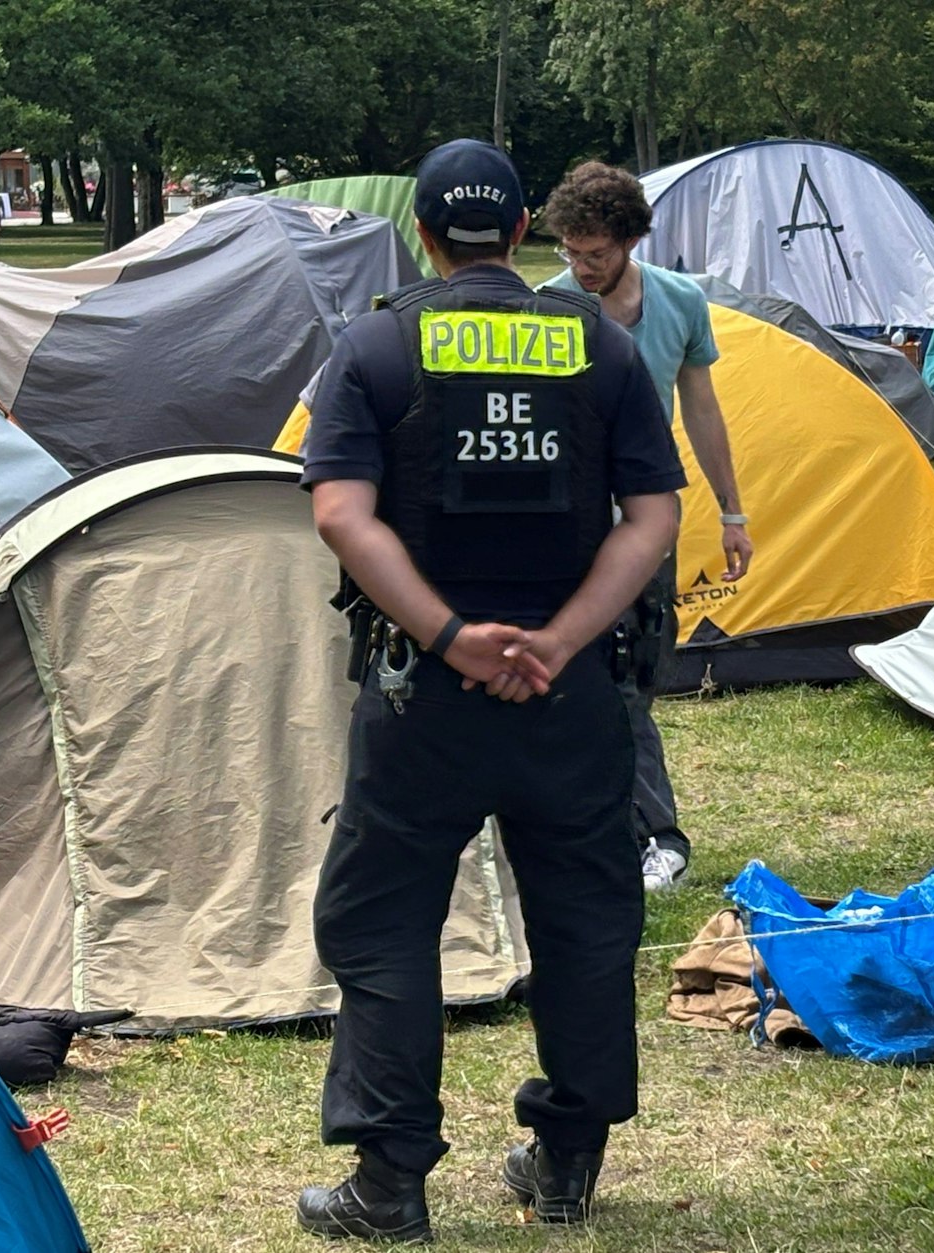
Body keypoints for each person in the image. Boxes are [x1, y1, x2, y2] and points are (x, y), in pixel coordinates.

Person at [294, 139, 683, 1243]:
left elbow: (339, 513)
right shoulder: (600, 347)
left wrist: (453, 636)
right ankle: (564, 1164)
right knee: (587, 923)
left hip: (426, 697)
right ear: (520, 235)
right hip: (573, 697)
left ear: (420, 233)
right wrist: (555, 641)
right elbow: (651, 517)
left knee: (380, 923)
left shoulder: (373, 343)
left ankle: (388, 1183)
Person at [538, 162, 753, 891]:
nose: (581, 266)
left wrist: (732, 512)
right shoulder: (546, 308)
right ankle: (567, 831)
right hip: (564, 517)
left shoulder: (680, 303)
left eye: (595, 253)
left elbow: (703, 409)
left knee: (633, 681)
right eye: (570, 251)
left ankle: (658, 839)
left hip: (644, 515)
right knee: (559, 677)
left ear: (630, 240)